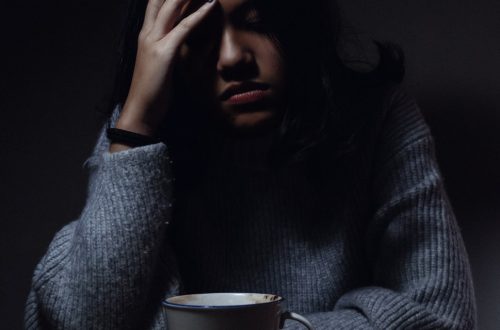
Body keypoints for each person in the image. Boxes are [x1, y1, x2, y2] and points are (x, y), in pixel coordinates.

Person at [25, 0, 477, 328]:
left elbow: (441, 317)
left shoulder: (378, 119)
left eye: (257, 22)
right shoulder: (139, 136)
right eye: (197, 35)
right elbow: (87, 319)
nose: (232, 57)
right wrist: (136, 121)